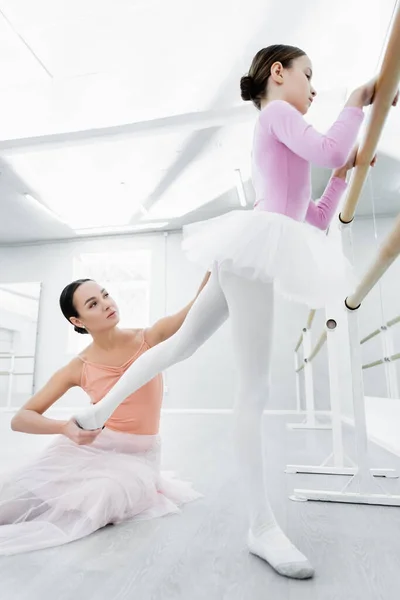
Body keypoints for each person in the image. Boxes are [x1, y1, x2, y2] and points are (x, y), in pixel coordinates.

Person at [73, 45, 397, 579]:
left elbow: (312, 220)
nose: (315, 88)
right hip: (250, 253)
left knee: (181, 347)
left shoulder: (287, 126)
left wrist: (342, 175)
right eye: (308, 75)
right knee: (253, 389)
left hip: (253, 247)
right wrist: (357, 103)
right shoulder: (277, 114)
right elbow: (331, 146)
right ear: (278, 74)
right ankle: (260, 524)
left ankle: (98, 409)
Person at [0, 273, 210, 555]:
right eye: (93, 303)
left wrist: (216, 260)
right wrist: (64, 428)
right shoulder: (78, 366)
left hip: (135, 457)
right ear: (78, 321)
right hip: (85, 449)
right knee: (13, 496)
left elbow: (198, 306)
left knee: (101, 495)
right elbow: (21, 418)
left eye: (105, 295)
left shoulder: (150, 337)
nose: (107, 304)